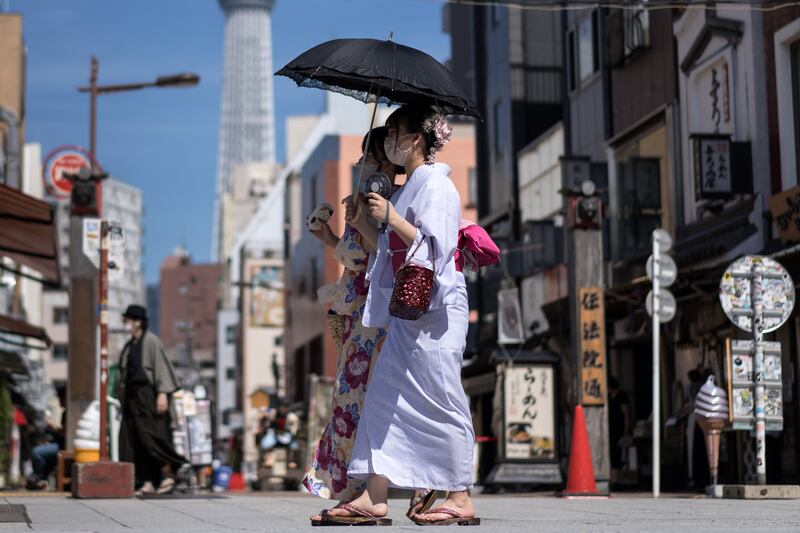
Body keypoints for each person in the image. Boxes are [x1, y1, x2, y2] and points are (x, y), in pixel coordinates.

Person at [317, 105, 479, 526]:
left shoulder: (437, 188)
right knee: (383, 396)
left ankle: (459, 494)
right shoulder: (408, 190)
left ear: (417, 139)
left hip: (436, 310)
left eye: (396, 132)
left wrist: (390, 218)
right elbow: (385, 249)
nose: (390, 141)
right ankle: (374, 494)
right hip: (405, 310)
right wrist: (369, 220)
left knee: (441, 397)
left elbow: (437, 246)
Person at [305, 127, 424, 510]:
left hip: (378, 316)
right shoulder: (372, 199)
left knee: (362, 400)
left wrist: (357, 225)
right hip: (363, 315)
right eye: (364, 159)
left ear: (388, 161)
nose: (363, 165)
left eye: (370, 158)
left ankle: (364, 491)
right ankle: (358, 490)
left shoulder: (393, 201)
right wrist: (329, 235)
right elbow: (358, 257)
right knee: (353, 398)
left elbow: (386, 257)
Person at [116, 304, 186, 495]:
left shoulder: (151, 341)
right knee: (134, 440)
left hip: (149, 396)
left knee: (153, 437)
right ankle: (147, 480)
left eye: (127, 321)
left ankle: (167, 475)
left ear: (138, 322)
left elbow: (161, 368)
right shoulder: (131, 345)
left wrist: (163, 393)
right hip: (132, 399)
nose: (125, 324)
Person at [26, 390, 66, 490]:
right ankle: (40, 478)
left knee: (37, 452)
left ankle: (37, 478)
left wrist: (53, 427)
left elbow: (65, 433)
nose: (59, 401)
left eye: (61, 398)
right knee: (42, 450)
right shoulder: (65, 412)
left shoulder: (69, 412)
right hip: (58, 443)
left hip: (63, 445)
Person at [608, 376, 630, 484]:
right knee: (611, 450)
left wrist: (626, 429)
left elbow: (625, 413)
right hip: (610, 426)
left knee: (619, 450)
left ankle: (619, 477)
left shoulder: (621, 396)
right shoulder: (608, 396)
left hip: (619, 426)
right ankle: (613, 476)